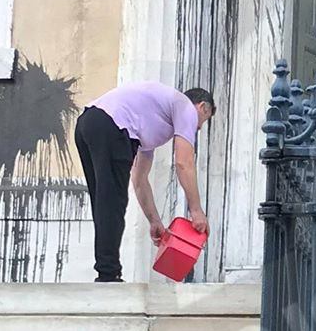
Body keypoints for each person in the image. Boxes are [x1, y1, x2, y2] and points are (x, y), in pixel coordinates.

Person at [74, 82, 216, 282]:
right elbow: (184, 163)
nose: (198, 127)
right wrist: (196, 211)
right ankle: (108, 275)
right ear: (202, 107)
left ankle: (106, 271)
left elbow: (139, 179)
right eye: (203, 121)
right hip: (112, 125)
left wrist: (154, 221)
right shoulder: (185, 106)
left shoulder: (150, 118)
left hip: (87, 124)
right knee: (112, 202)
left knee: (104, 201)